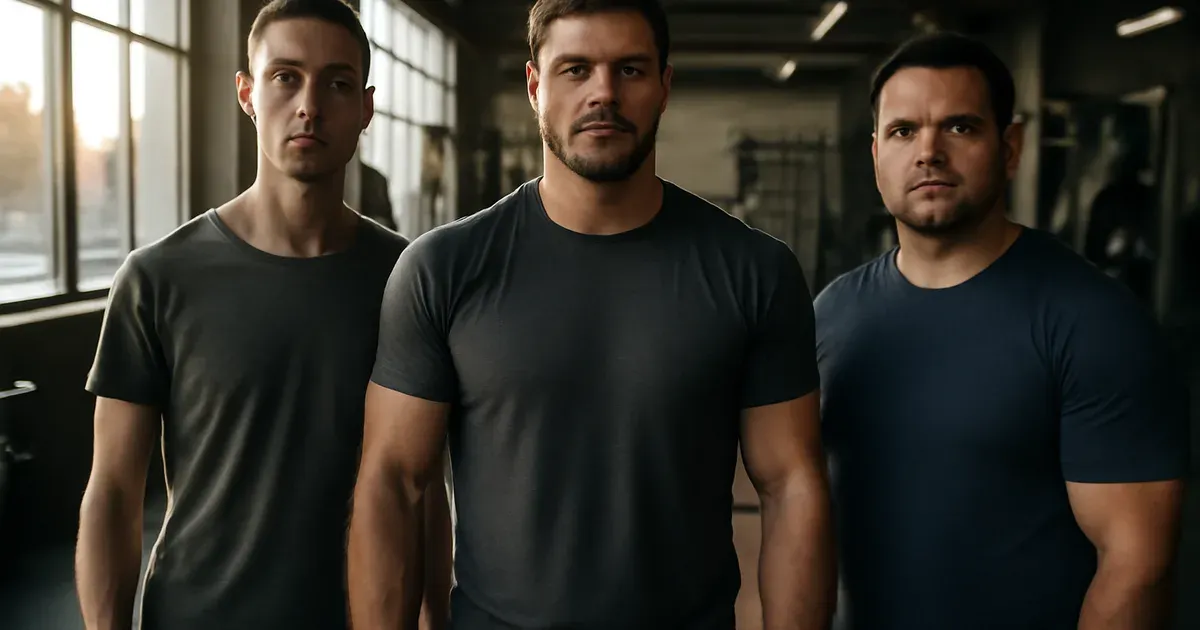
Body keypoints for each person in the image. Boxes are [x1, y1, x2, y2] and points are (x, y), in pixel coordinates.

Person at [346, 0, 836, 629]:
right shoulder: (443, 269)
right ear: (534, 85)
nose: (603, 93)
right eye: (575, 69)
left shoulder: (755, 272)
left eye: (629, 70)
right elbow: (393, 481)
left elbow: (791, 485)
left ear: (665, 86)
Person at [75, 2, 451, 629]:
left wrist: (434, 618)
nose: (310, 105)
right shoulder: (157, 278)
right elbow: (113, 491)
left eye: (336, 82)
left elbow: (422, 487)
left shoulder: (408, 279)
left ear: (365, 106)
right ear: (248, 94)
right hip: (196, 614)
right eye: (285, 77)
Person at [814, 32, 1189, 630]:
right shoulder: (833, 313)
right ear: (876, 154)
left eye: (959, 127)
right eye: (903, 130)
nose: (928, 152)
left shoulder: (1094, 322)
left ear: (1010, 147)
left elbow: (1136, 565)